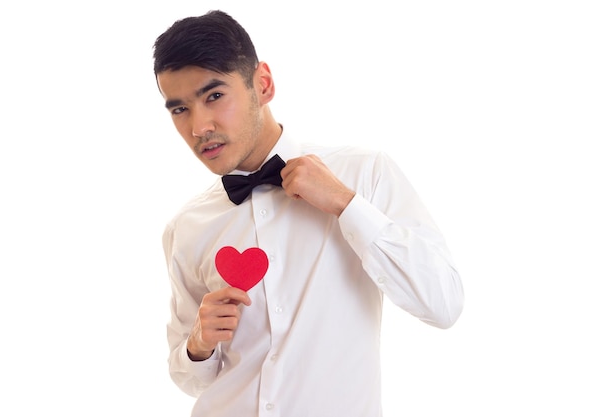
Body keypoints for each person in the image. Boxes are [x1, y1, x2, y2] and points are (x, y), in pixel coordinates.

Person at [153, 10, 464, 417]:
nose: (198, 127)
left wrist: (346, 205)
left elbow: (443, 303)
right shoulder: (186, 227)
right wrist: (197, 345)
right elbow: (190, 379)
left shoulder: (363, 174)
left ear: (262, 84)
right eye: (179, 110)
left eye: (214, 96)